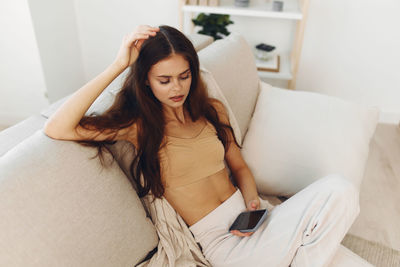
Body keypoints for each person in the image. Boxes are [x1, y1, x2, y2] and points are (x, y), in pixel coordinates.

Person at [44, 25, 360, 267]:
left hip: (251, 221)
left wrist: (252, 205)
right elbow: (59, 127)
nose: (177, 87)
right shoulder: (138, 126)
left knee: (340, 190)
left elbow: (238, 166)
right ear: (146, 81)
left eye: (184, 76)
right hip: (220, 243)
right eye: (164, 80)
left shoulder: (211, 110)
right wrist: (118, 64)